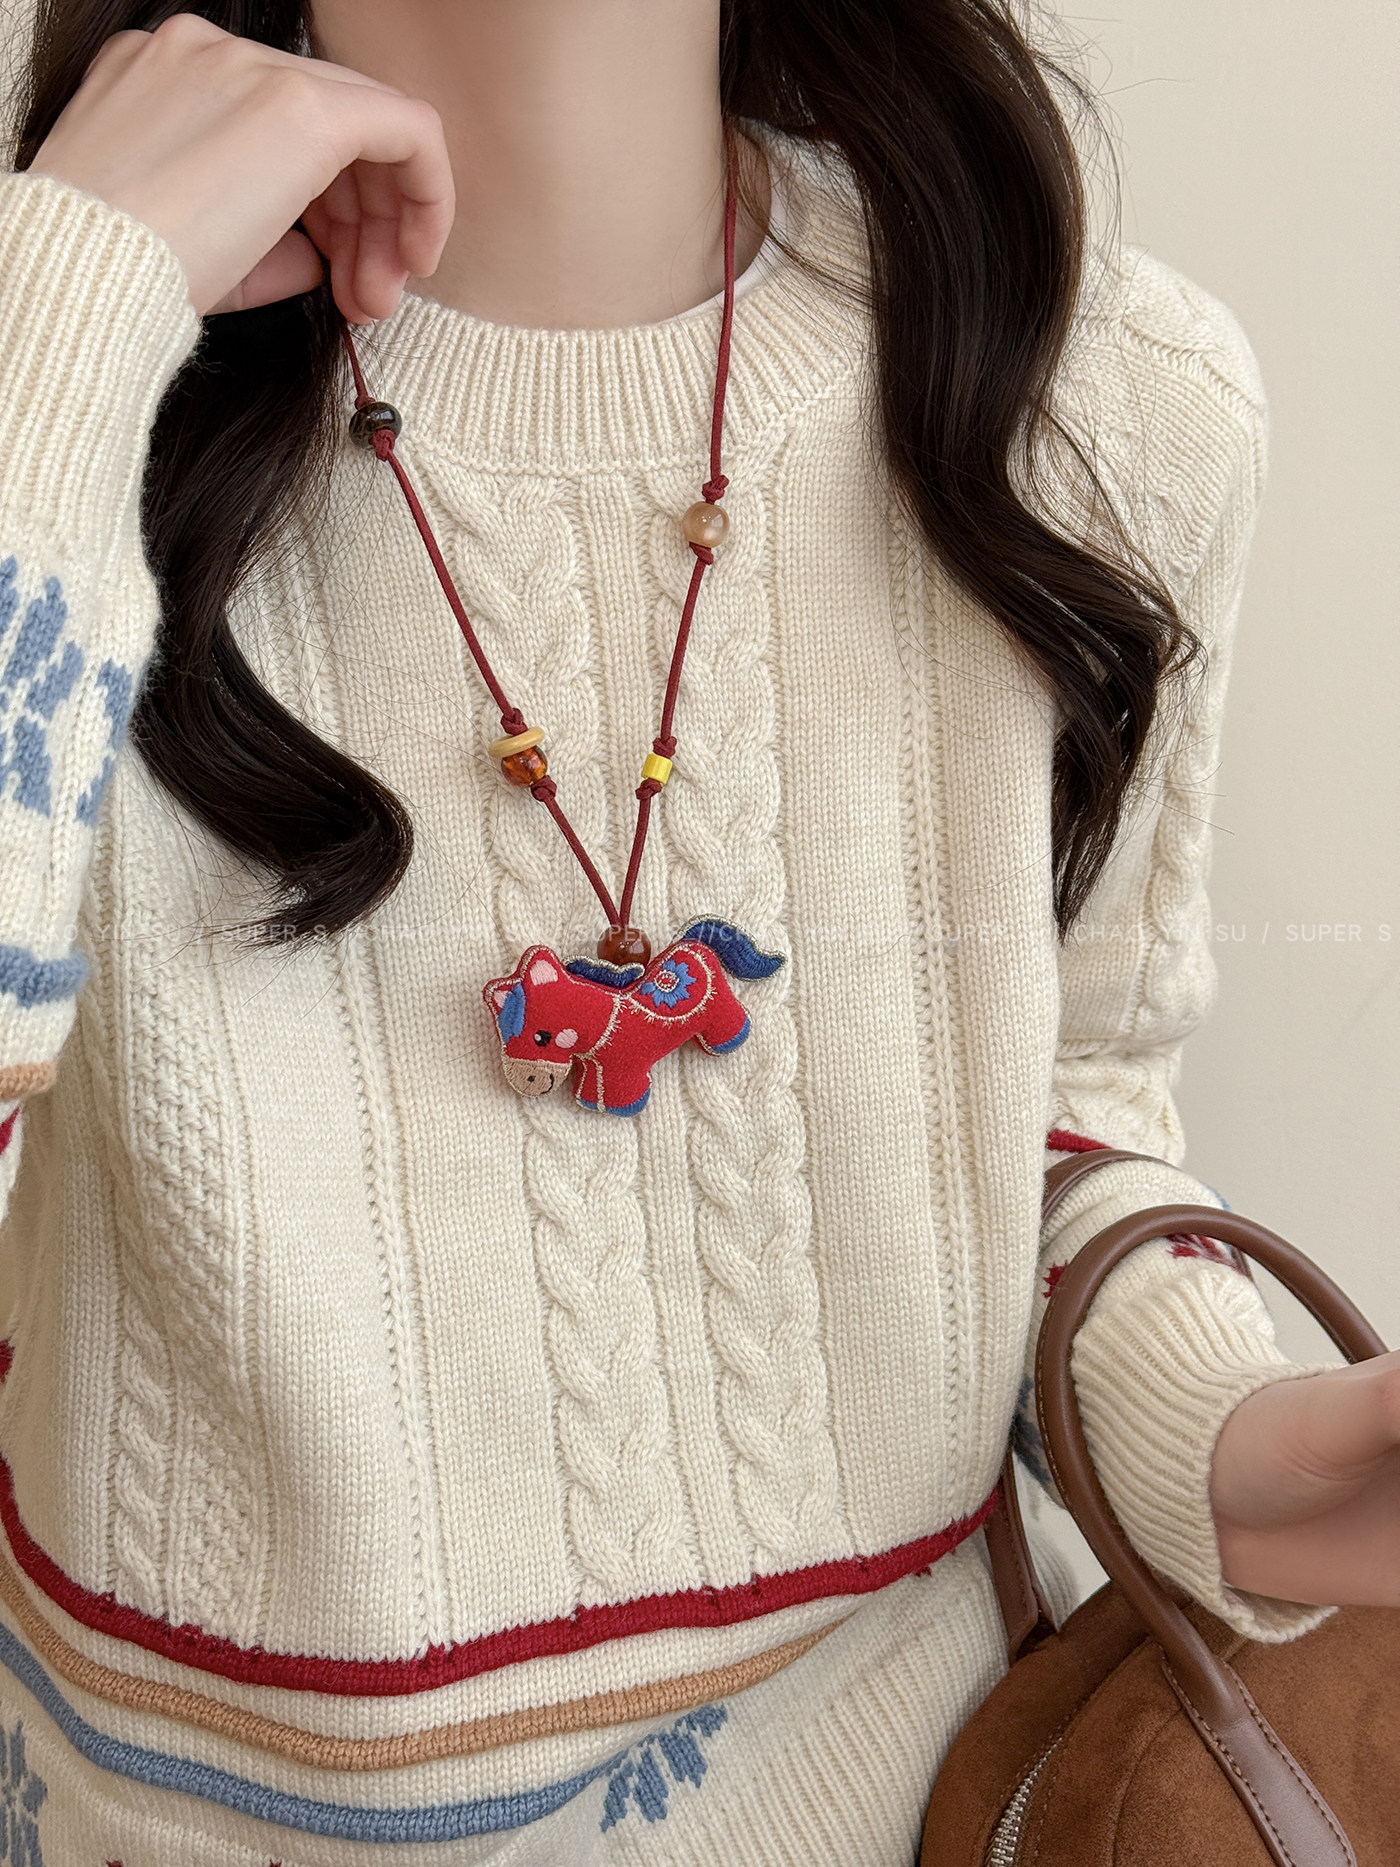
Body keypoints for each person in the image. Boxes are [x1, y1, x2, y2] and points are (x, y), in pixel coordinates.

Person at [0, 2, 1394, 1861]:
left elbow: (1058, 1096)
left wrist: (1220, 1439)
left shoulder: (1094, 401)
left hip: (925, 1805)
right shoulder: (50, 378)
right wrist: (59, 330)